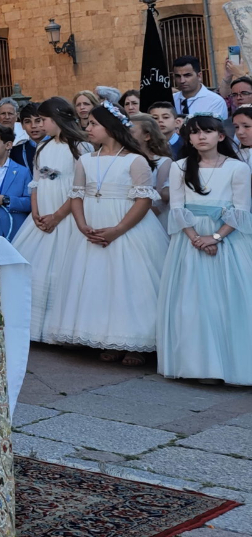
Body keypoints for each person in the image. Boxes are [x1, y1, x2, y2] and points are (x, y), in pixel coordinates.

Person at [44, 103, 168, 364]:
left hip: (127, 228)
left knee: (129, 284)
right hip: (92, 228)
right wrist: (81, 224)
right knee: (100, 284)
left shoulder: (136, 160)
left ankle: (136, 344)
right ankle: (107, 337)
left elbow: (143, 201)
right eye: (87, 124)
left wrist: (118, 230)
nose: (87, 129)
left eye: (93, 124)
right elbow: (76, 195)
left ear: (110, 128)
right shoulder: (86, 160)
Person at [157, 117, 252, 384]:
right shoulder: (180, 167)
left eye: (208, 132)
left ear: (221, 136)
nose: (201, 137)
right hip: (189, 240)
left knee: (229, 300)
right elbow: (177, 207)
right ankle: (200, 365)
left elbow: (241, 209)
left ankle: (232, 364)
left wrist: (215, 237)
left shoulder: (237, 167)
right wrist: (195, 237)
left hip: (228, 240)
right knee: (193, 301)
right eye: (195, 133)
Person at [15, 97, 91, 340]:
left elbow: (81, 187)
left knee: (61, 270)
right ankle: (34, 328)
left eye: (43, 119)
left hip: (66, 215)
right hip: (42, 216)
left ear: (57, 118)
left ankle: (60, 329)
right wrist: (36, 212)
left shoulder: (80, 147)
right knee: (34, 269)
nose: (40, 124)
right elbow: (35, 183)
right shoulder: (43, 148)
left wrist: (57, 216)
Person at [174, 55, 228, 120]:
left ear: (199, 76)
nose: (182, 81)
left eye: (187, 75)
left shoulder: (215, 101)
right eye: (178, 76)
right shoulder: (172, 99)